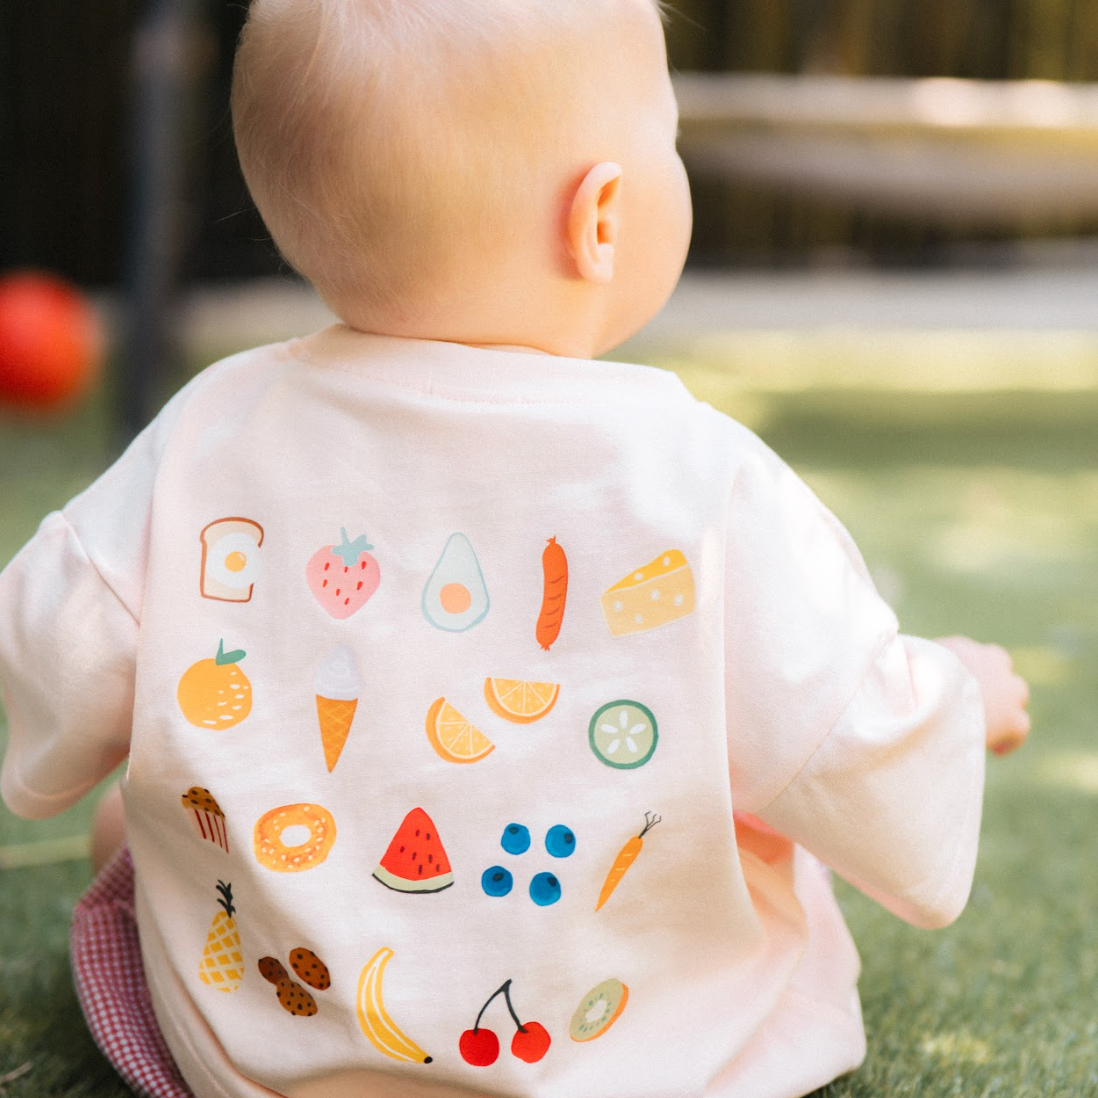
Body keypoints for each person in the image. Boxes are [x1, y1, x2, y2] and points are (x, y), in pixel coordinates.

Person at [0, 1, 1030, 1096]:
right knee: (775, 829)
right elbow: (847, 735)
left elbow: (46, 643)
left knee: (134, 814)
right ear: (602, 217)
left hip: (261, 1056)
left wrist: (70, 756)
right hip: (632, 1059)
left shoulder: (209, 432)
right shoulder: (698, 474)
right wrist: (956, 695)